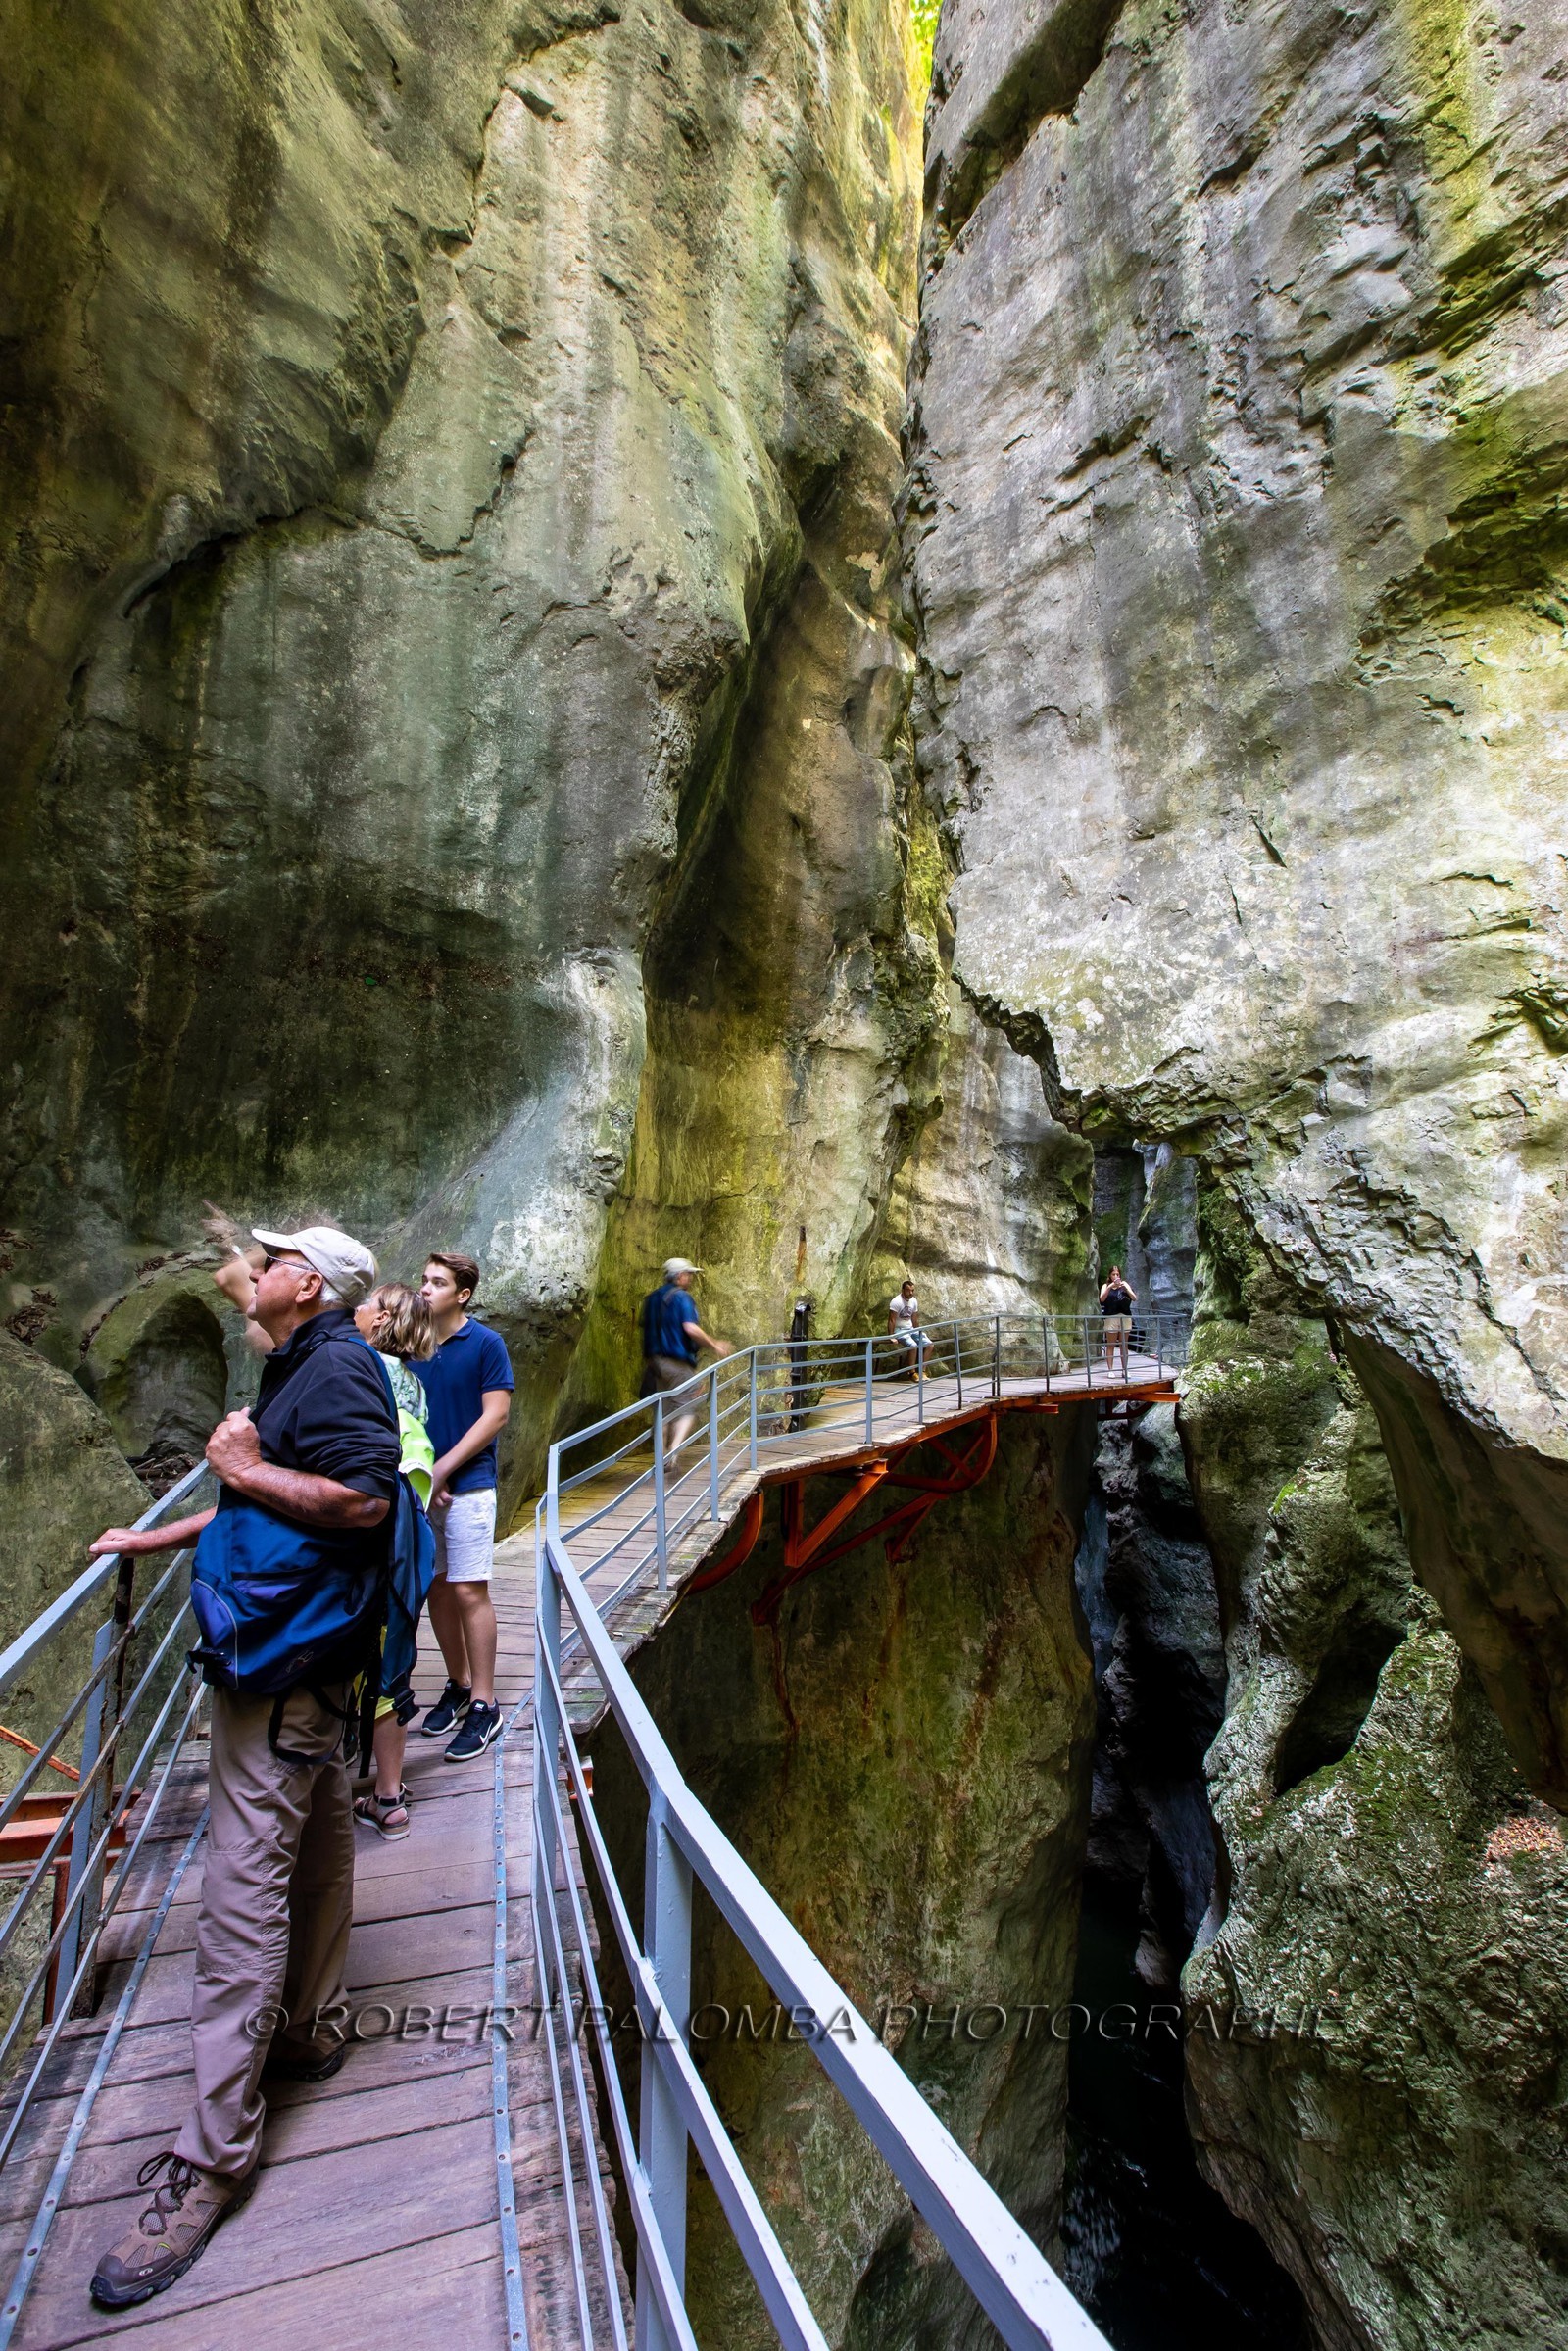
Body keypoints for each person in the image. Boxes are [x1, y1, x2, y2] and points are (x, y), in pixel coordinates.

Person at [87, 1225, 398, 2310]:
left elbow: (364, 1502)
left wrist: (240, 1463)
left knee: (238, 1899)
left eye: (266, 1259)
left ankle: (213, 2151)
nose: (249, 1272)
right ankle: (310, 2028)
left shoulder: (339, 1364)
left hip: (282, 1662)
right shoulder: (303, 1360)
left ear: (305, 1281)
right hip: (302, 1655)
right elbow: (265, 1493)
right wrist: (160, 1537)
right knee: (314, 1849)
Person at [416, 1252, 514, 1761]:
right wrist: (422, 1474)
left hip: (469, 1485)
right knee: (436, 1585)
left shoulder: (485, 1344)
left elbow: (495, 1416)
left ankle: (484, 1702)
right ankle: (457, 1682)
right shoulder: (412, 1344)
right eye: (424, 1280)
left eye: (437, 1282)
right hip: (421, 1486)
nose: (426, 1289)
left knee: (469, 1589)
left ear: (463, 1293)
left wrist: (443, 1468)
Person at [351, 1282, 436, 1839]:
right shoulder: (415, 1385)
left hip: (369, 1528)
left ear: (381, 1320)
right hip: (408, 1534)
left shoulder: (364, 1369)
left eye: (364, 1303)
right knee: (392, 1664)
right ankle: (389, 1795)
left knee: (351, 1652)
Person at [639, 1257, 732, 1456]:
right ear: (680, 1276)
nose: (691, 1278)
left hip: (655, 1363)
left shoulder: (652, 1298)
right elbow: (690, 1328)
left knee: (663, 1412)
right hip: (676, 1362)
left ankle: (661, 1457)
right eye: (689, 1274)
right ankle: (673, 1450)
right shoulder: (682, 1298)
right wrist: (715, 1344)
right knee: (690, 1404)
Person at [887, 1278, 931, 1378]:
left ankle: (922, 1371)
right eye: (908, 1290)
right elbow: (891, 1320)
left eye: (912, 1290)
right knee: (913, 1345)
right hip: (899, 1329)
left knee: (929, 1345)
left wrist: (918, 1331)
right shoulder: (896, 1301)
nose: (911, 1293)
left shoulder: (914, 1301)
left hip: (911, 1328)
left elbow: (915, 1318)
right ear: (902, 1290)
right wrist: (891, 1335)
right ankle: (912, 1373)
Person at [1100, 1263, 1138, 1378]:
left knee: (1124, 1345)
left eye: (1117, 1274)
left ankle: (1124, 1369)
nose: (1116, 1276)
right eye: (1113, 1274)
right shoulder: (1106, 1286)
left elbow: (1134, 1298)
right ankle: (1110, 1370)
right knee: (1111, 1344)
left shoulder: (1124, 1285)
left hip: (1125, 1317)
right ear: (1110, 1275)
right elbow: (1102, 1299)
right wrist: (1111, 1286)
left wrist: (1126, 1287)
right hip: (1111, 1317)